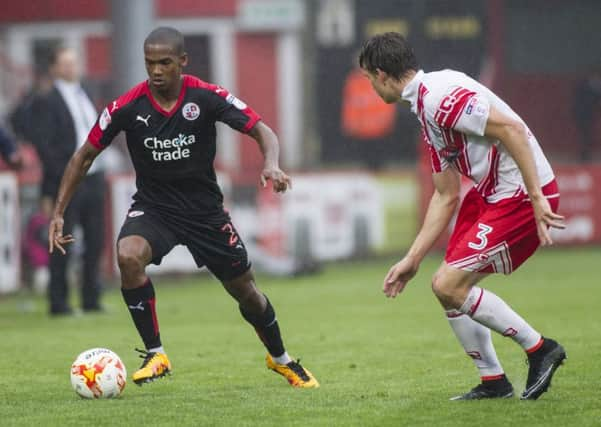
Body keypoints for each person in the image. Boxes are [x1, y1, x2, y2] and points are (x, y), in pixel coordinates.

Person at [48, 27, 319, 388]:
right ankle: (155, 353)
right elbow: (83, 157)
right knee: (128, 255)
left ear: (182, 62)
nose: (156, 70)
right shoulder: (126, 107)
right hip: (155, 209)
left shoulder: (206, 97)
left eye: (164, 62)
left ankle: (281, 358)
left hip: (205, 213)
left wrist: (271, 164)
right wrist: (59, 211)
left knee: (247, 293)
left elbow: (262, 130)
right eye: (149, 63)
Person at [359, 32, 566, 401]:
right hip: (492, 195)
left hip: (519, 195)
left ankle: (540, 349)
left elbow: (512, 129)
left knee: (448, 284)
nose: (371, 89)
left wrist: (536, 197)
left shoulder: (439, 97)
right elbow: (446, 194)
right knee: (446, 288)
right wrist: (412, 259)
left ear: (381, 74)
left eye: (368, 80)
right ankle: (493, 382)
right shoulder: (425, 111)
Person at [33, 46, 106, 315]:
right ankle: (59, 302)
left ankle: (91, 298)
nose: (71, 68)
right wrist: (61, 177)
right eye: (65, 63)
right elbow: (45, 145)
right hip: (67, 179)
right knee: (63, 241)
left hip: (94, 175)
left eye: (74, 62)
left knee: (97, 239)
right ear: (54, 68)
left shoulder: (85, 92)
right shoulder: (47, 100)